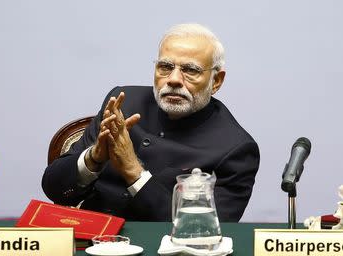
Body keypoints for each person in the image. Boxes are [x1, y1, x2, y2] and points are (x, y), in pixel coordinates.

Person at [42, 23, 260, 222]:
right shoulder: (123, 102)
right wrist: (93, 158)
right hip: (92, 240)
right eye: (165, 67)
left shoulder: (235, 148)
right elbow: (53, 188)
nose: (174, 79)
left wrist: (133, 170)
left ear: (216, 81)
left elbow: (205, 229)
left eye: (190, 70)